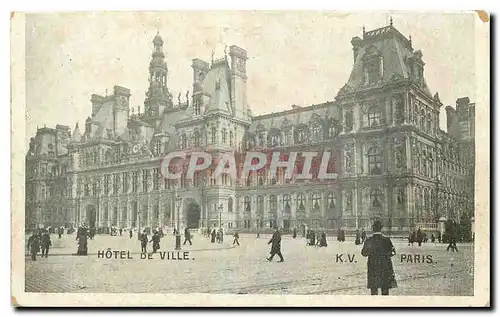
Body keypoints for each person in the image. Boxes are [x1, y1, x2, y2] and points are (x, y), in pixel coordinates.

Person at [361, 220, 397, 296]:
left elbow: (363, 253)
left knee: (374, 290)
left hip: (373, 267)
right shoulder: (387, 240)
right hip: (385, 267)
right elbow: (393, 252)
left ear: (373, 229)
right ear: (381, 228)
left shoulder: (369, 240)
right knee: (385, 289)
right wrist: (386, 255)